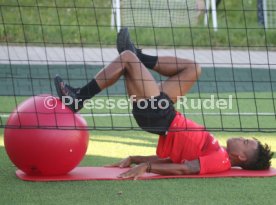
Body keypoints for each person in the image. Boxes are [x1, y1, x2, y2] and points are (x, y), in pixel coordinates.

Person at [54, 28, 273, 180]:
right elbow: (172, 158)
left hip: (160, 117)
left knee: (127, 58)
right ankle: (140, 56)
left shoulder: (221, 160)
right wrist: (135, 158)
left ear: (241, 157)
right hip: (163, 113)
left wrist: (146, 167)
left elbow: (185, 169)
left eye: (245, 142)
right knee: (193, 69)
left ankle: (78, 98)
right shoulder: (219, 150)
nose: (243, 139)